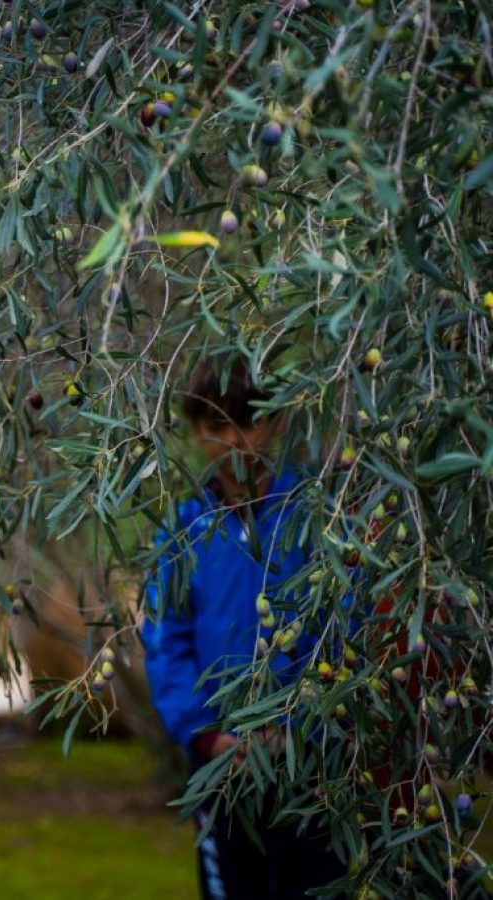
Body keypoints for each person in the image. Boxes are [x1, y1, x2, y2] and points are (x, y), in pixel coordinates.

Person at [139, 357, 345, 899]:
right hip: (219, 767)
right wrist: (207, 734)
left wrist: (300, 729)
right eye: (215, 426)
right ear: (195, 433)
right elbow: (166, 641)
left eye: (246, 421)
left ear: (274, 422)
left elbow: (340, 627)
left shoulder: (313, 516)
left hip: (311, 767)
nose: (233, 441)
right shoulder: (183, 531)